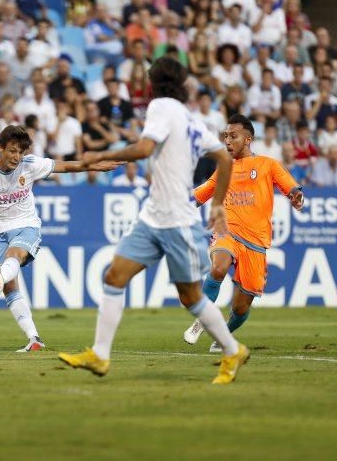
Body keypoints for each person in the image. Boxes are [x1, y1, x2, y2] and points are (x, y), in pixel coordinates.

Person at [58, 57, 248, 385]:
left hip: (177, 220)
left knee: (190, 297)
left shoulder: (161, 106)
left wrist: (100, 155)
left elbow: (145, 148)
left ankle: (233, 350)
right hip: (153, 216)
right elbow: (222, 156)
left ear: (154, 83)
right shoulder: (189, 118)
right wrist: (216, 204)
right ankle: (100, 355)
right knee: (114, 276)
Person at [0, 125, 119, 352]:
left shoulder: (30, 164)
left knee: (14, 257)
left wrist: (93, 166)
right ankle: (34, 338)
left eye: (20, 152)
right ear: (0, 149)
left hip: (26, 225)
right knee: (10, 287)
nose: (17, 157)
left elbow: (66, 166)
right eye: (12, 151)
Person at [183, 115, 304, 352]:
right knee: (218, 267)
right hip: (227, 231)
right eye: (226, 136)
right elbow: (202, 193)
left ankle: (223, 335)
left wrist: (296, 196)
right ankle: (202, 321)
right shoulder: (224, 168)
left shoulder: (268, 164)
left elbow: (289, 186)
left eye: (233, 136)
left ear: (248, 139)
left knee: (240, 308)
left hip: (256, 242)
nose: (227, 141)